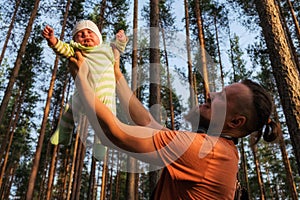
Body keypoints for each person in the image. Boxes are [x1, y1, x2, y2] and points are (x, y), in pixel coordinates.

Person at [68, 51, 280, 199]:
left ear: (235, 121)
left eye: (222, 97)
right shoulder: (220, 152)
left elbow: (114, 132)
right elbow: (146, 122)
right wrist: (117, 74)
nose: (210, 93)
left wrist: (82, 79)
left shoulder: (204, 152)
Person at [42, 20, 128, 145]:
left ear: (98, 38)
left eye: (89, 32)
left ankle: (101, 144)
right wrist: (52, 40)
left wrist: (121, 39)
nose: (85, 36)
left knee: (107, 120)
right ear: (75, 41)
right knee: (69, 109)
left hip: (105, 92)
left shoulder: (106, 49)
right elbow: (63, 49)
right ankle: (64, 132)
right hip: (83, 91)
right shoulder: (77, 50)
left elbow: (118, 48)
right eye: (80, 34)